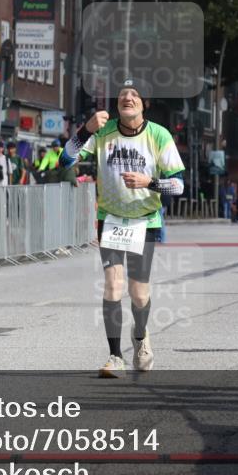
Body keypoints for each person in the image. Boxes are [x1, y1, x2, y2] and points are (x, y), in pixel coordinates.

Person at [60, 79, 185, 378]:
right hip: (111, 218)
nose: (127, 98)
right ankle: (115, 356)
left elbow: (178, 185)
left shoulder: (159, 135)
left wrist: (149, 183)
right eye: (123, 94)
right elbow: (66, 158)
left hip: (145, 219)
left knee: (139, 293)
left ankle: (141, 337)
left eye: (135, 94)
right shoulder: (102, 131)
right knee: (113, 285)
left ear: (145, 103)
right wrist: (86, 129)